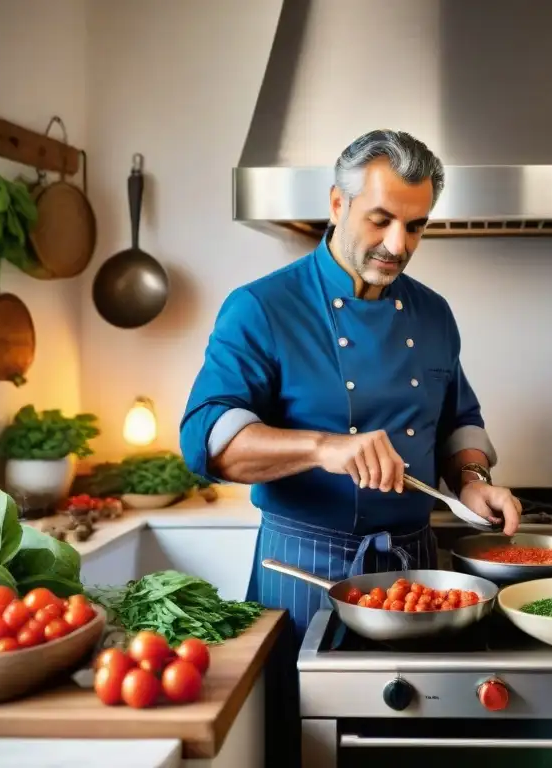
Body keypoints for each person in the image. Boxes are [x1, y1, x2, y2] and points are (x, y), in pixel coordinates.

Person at [179, 129, 522, 642]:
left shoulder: (433, 313)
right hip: (303, 573)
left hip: (416, 573)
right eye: (380, 220)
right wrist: (323, 448)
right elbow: (208, 441)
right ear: (338, 203)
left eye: (415, 226)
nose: (397, 244)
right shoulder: (263, 308)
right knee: (297, 720)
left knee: (415, 716)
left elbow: (459, 422)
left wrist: (472, 481)